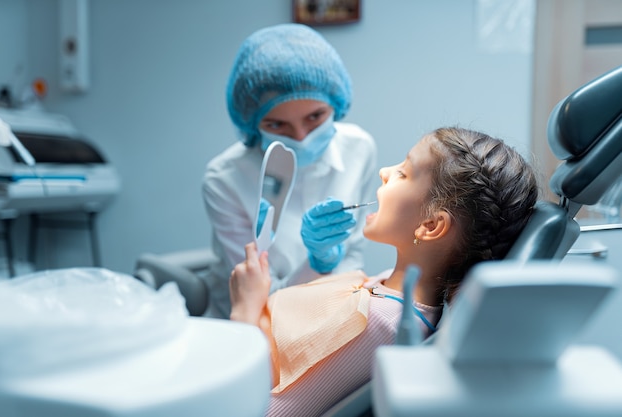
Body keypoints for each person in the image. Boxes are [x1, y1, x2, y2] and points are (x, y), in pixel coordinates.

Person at [229, 126, 539, 417]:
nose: (384, 172)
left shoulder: (380, 323)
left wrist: (244, 311)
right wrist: (319, 260)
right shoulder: (392, 287)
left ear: (430, 226)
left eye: (403, 173)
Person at [202, 23, 377, 318]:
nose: (300, 136)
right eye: (277, 125)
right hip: (252, 326)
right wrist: (318, 263)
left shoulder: (359, 149)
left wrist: (331, 265)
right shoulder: (224, 179)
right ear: (252, 122)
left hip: (332, 314)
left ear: (335, 104)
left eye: (315, 117)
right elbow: (256, 296)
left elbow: (352, 257)